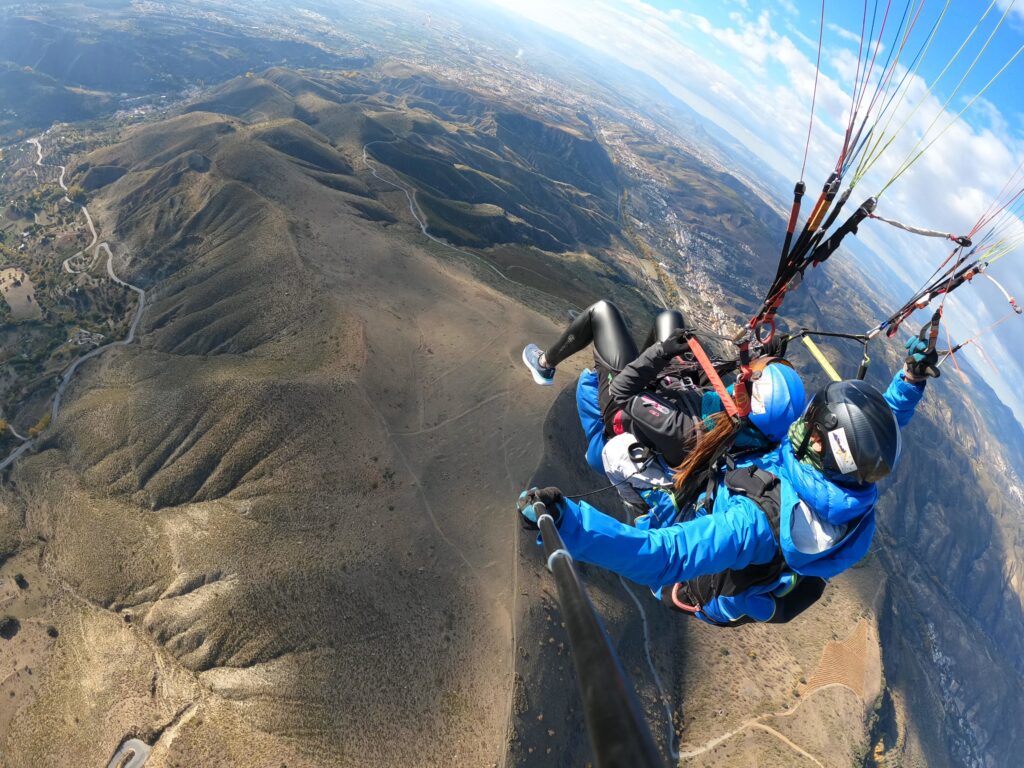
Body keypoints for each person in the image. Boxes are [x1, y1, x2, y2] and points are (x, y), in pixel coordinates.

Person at [517, 321, 938, 626]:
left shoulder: (754, 521)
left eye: (813, 421)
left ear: (819, 445)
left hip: (687, 578)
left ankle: (640, 505)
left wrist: (570, 522)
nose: (804, 419)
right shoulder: (847, 496)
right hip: (741, 574)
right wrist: (910, 381)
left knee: (619, 455)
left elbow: (665, 557)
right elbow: (873, 434)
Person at [522, 300, 806, 509]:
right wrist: (763, 355)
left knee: (602, 312)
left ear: (747, 399)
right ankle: (623, 350)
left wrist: (660, 353)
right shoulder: (743, 428)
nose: (744, 377)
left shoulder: (687, 430)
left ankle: (544, 364)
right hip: (669, 395)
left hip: (624, 412)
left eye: (750, 379)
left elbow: (623, 392)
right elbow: (719, 393)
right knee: (670, 319)